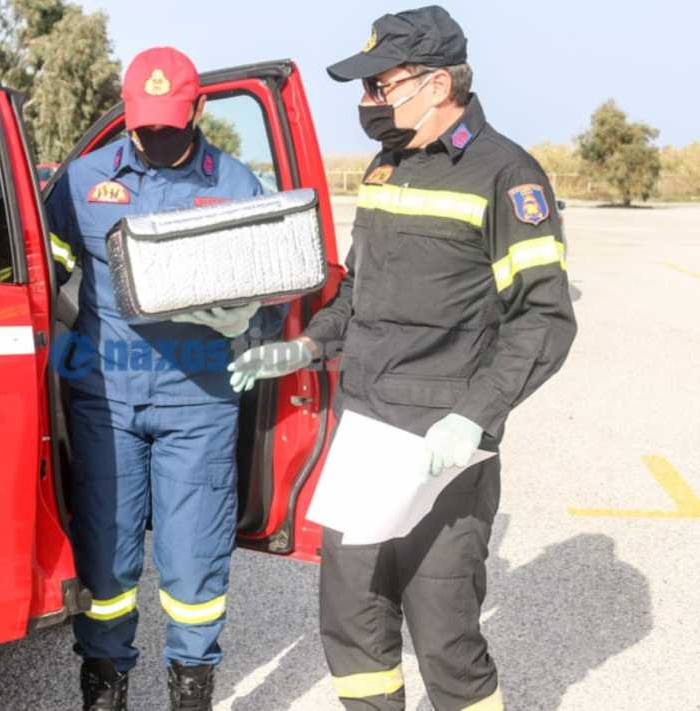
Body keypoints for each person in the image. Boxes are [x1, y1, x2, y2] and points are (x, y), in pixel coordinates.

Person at [229, 6, 577, 709]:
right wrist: (306, 344)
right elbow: (359, 289)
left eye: (379, 86)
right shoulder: (389, 168)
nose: (366, 103)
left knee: (445, 637)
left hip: (446, 453)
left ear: (437, 83)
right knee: (352, 623)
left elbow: (544, 318)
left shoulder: (506, 176)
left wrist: (473, 418)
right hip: (367, 435)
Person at [44, 46, 281, 711]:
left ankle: (190, 688)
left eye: (170, 124)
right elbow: (46, 278)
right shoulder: (80, 182)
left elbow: (275, 286)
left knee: (194, 563)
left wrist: (252, 322)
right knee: (107, 558)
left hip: (198, 403)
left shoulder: (234, 184)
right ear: (127, 114)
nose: (156, 139)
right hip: (105, 401)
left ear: (199, 109)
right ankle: (104, 687)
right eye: (145, 125)